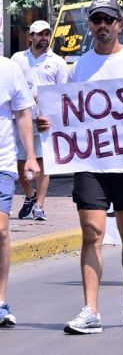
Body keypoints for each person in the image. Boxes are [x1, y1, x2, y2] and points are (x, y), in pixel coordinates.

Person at [37, 0, 123, 334]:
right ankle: (90, 310)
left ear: (120, 24)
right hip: (91, 162)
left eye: (109, 19)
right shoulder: (79, 66)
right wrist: (48, 123)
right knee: (92, 231)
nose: (103, 26)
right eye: (97, 20)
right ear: (90, 25)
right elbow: (66, 110)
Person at [12, 19, 68, 222]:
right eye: (40, 34)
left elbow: (63, 93)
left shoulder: (58, 62)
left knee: (44, 163)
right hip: (20, 118)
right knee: (20, 162)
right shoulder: (18, 59)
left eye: (47, 34)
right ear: (31, 37)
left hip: (45, 122)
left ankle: (40, 205)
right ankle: (29, 195)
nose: (44, 38)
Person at [0, 52, 39, 328]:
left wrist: (31, 155)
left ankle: (0, 302)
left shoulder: (8, 69)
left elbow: (23, 113)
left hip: (2, 162)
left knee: (0, 230)